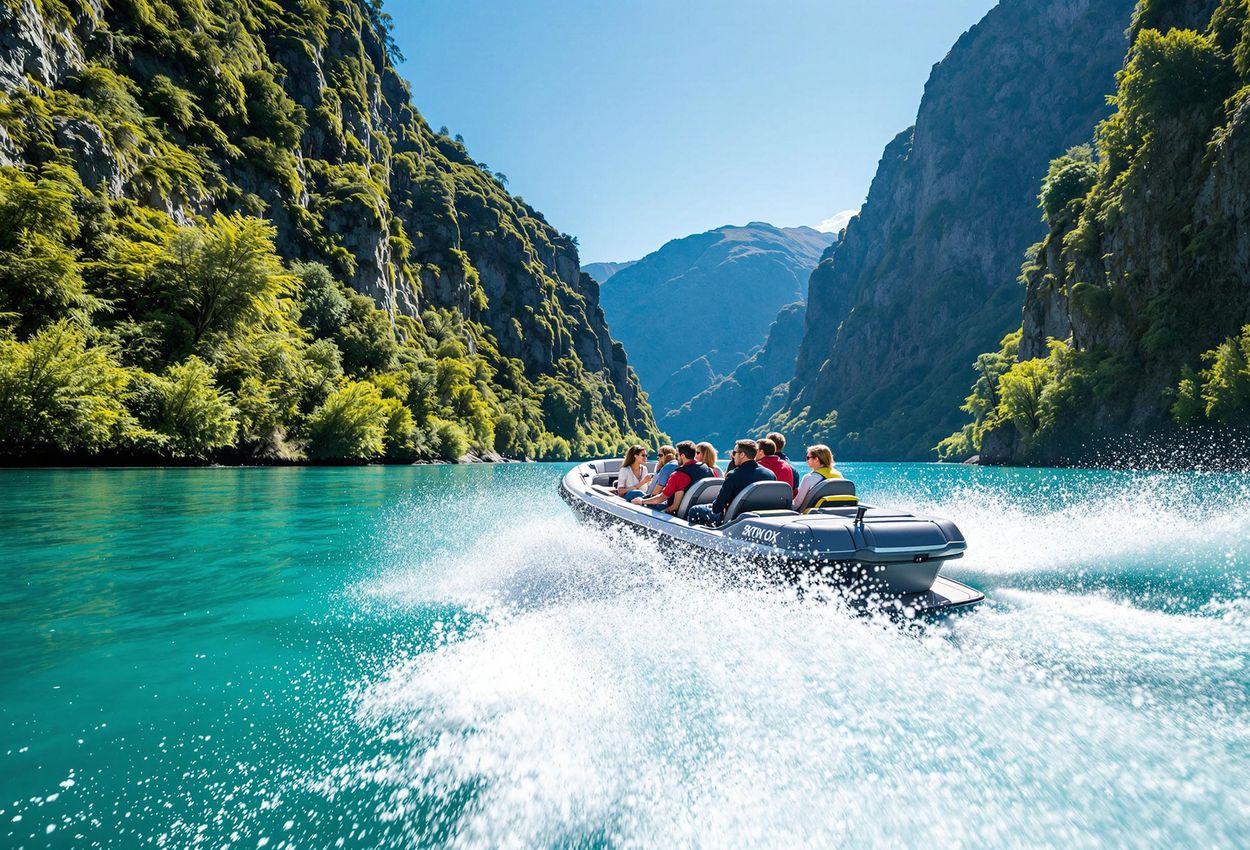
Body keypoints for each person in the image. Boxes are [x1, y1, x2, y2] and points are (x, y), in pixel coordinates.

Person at [687, 439, 776, 526]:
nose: (733, 456)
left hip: (735, 520)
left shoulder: (734, 475)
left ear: (742, 455)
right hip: (759, 518)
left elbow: (717, 508)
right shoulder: (770, 474)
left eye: (734, 453)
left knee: (694, 510)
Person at [633, 440, 712, 514]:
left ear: (683, 456)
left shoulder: (678, 474)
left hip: (676, 512)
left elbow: (661, 498)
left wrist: (642, 501)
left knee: (641, 500)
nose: (676, 458)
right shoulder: (706, 468)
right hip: (694, 509)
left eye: (677, 455)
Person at [793, 443, 842, 510]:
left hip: (810, 516)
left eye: (808, 458)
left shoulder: (809, 478)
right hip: (835, 514)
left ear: (816, 459)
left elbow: (796, 503)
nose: (806, 460)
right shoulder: (839, 475)